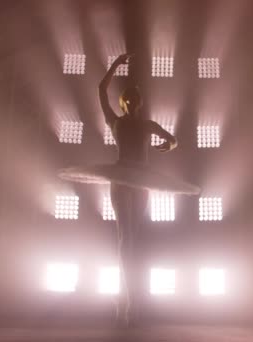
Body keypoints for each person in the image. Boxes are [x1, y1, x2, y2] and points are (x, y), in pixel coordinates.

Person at [58, 53, 200, 327]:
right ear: (127, 102)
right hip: (126, 178)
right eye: (130, 98)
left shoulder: (134, 123)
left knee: (131, 237)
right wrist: (115, 64)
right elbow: (101, 90)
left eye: (135, 98)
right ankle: (127, 299)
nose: (133, 101)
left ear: (135, 103)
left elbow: (172, 139)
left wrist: (169, 144)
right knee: (127, 237)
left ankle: (130, 299)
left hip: (137, 180)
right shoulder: (121, 122)